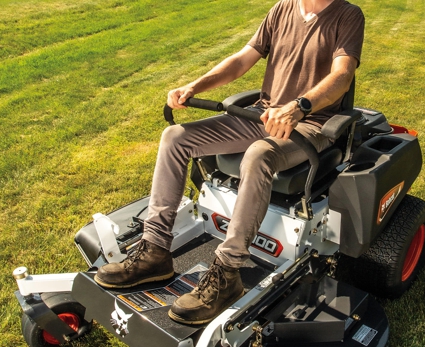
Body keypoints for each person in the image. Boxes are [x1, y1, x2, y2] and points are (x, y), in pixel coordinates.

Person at [94, 0, 364, 325]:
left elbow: (343, 74)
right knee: (175, 138)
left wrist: (300, 105)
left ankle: (227, 272)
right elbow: (241, 60)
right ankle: (154, 251)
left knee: (259, 154)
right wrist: (195, 86)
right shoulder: (282, 9)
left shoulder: (347, 15)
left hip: (310, 122)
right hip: (261, 114)